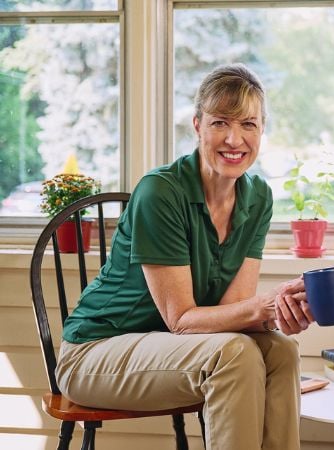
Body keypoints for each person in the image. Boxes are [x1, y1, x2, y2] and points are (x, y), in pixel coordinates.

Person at [56, 63, 315, 450]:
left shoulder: (257, 196)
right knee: (233, 355)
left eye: (248, 124)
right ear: (197, 125)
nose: (234, 138)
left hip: (173, 349)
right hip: (95, 353)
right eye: (220, 123)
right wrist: (262, 307)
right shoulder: (161, 192)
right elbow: (181, 320)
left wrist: (278, 309)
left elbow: (232, 313)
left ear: (262, 130)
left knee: (281, 351)